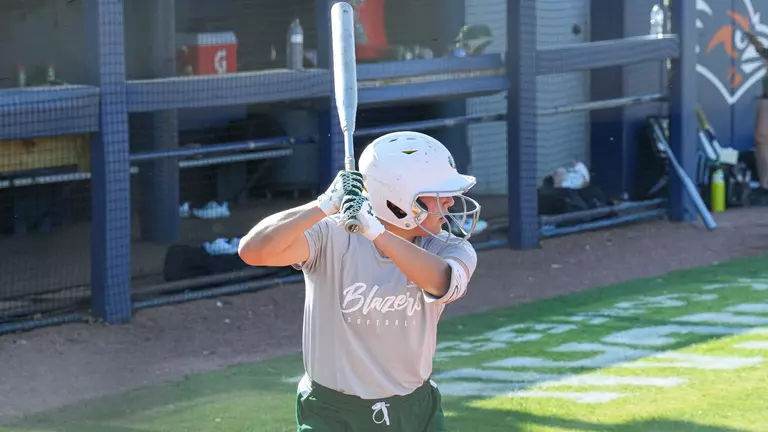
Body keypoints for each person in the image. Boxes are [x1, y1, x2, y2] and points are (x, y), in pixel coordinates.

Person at [238, 131, 482, 431]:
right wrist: (323, 205)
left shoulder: (449, 247)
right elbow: (253, 251)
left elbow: (440, 281)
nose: (450, 204)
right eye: (439, 194)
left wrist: (378, 233)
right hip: (332, 414)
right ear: (400, 199)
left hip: (416, 411)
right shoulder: (332, 233)